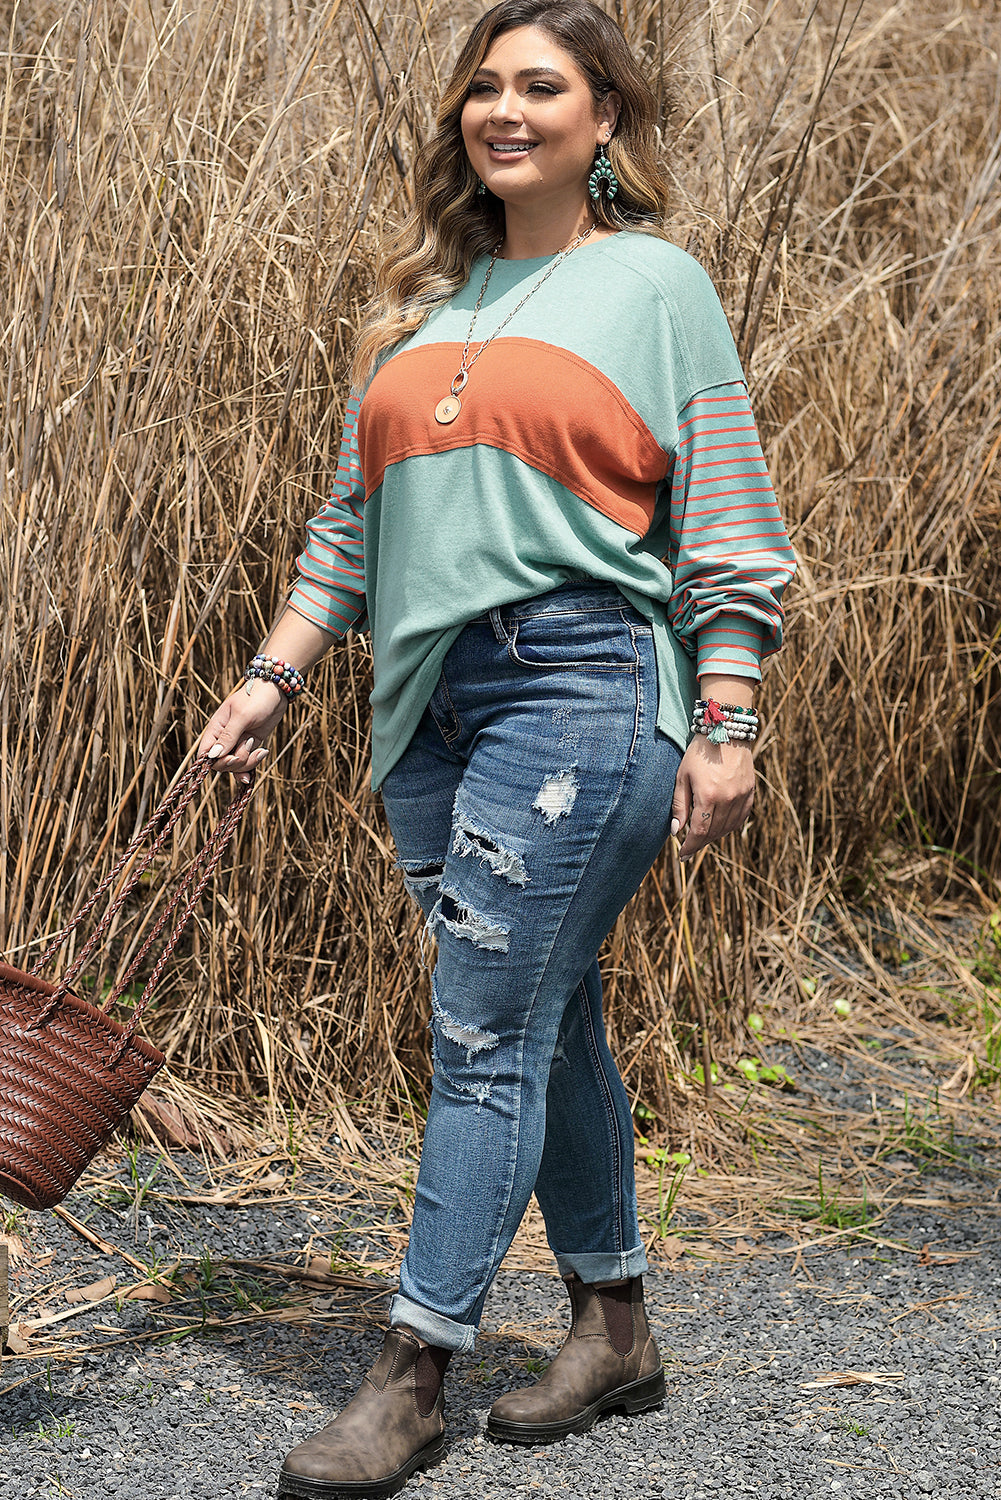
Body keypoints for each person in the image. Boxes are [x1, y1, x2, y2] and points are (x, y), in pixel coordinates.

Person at [199, 2, 796, 1495]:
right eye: (485, 87)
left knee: (478, 1027)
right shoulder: (422, 305)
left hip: (582, 681)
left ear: (605, 123)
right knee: (542, 1009)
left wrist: (725, 718)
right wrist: (273, 677)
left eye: (543, 86)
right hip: (425, 704)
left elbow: (726, 519)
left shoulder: (653, 285)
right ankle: (614, 1324)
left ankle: (412, 1375)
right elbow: (352, 527)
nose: (505, 109)